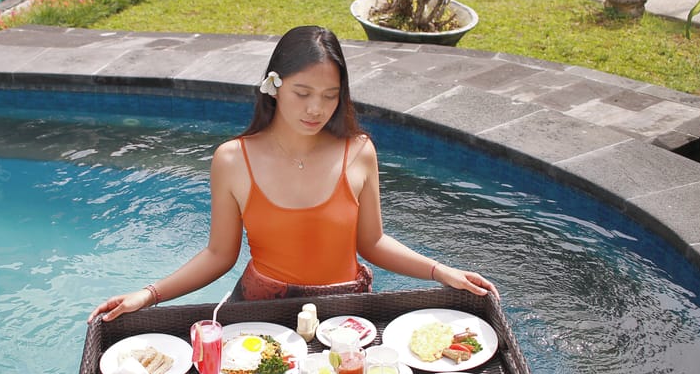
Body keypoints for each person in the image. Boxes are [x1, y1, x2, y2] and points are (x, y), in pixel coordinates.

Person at [88, 26, 498, 323]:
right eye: (302, 93)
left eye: (330, 96)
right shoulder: (232, 159)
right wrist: (149, 295)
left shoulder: (359, 151)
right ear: (275, 86)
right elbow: (219, 255)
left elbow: (372, 242)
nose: (315, 109)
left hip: (344, 314)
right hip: (261, 312)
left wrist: (440, 271)